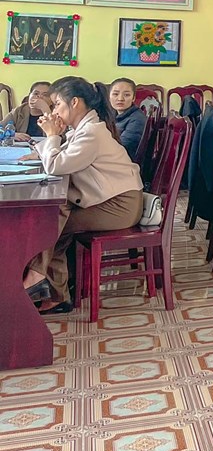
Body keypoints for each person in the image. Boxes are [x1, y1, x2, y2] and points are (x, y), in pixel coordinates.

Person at [22, 77, 145, 315]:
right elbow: (59, 157)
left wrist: (52, 136)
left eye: (58, 104)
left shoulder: (92, 133)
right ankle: (52, 292)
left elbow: (56, 166)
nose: (55, 111)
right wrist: (50, 141)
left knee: (53, 222)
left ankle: (37, 281)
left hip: (120, 205)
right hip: (106, 199)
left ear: (75, 102)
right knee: (58, 214)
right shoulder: (83, 129)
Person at [108, 77, 147, 161]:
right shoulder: (112, 114)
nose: (120, 99)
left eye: (126, 95)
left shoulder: (137, 119)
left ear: (133, 98)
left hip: (124, 162)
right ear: (109, 96)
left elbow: (122, 148)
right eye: (115, 94)